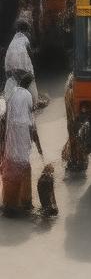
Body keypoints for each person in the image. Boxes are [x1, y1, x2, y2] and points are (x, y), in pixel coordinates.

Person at [1, 72, 42, 216]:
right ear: (30, 85)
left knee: (12, 162)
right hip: (22, 132)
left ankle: (9, 201)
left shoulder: (13, 92)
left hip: (11, 133)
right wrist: (35, 139)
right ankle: (23, 201)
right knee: (23, 164)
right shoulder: (28, 96)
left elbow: (7, 116)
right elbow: (30, 119)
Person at [4, 20, 39, 107]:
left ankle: (12, 104)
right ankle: (34, 103)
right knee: (30, 80)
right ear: (26, 30)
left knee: (14, 84)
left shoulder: (14, 38)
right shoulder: (26, 37)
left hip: (9, 66)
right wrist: (34, 59)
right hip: (22, 65)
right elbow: (30, 53)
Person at [61, 73, 89, 175]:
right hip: (76, 118)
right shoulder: (74, 87)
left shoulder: (69, 86)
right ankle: (80, 160)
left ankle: (74, 159)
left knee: (74, 136)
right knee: (79, 137)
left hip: (72, 119)